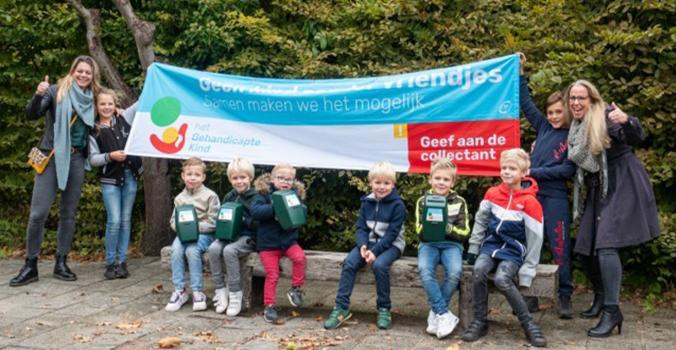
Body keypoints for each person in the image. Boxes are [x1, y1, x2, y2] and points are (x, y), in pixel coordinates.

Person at [564, 80, 659, 337]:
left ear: (593, 100)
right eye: (572, 98)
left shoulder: (606, 116)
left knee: (606, 244)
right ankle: (601, 295)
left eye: (581, 97)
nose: (576, 102)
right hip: (599, 185)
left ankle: (612, 310)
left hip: (623, 180)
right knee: (584, 245)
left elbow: (635, 137)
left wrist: (628, 120)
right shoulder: (576, 126)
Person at [10, 55, 102, 286]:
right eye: (79, 71)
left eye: (87, 73)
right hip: (51, 157)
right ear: (72, 71)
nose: (83, 75)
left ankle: (61, 262)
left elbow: (103, 118)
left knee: (68, 213)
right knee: (37, 214)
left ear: (93, 76)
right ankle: (30, 265)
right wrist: (38, 94)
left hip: (77, 160)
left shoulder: (94, 98)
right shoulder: (55, 91)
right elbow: (31, 115)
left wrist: (116, 113)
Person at [462, 148, 547, 348]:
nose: (507, 172)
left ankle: (529, 324)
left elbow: (536, 238)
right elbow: (481, 222)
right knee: (478, 270)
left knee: (502, 279)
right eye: (504, 168)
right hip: (490, 247)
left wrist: (529, 267)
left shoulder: (530, 202)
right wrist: (474, 248)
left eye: (512, 168)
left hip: (513, 251)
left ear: (524, 173)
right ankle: (480, 321)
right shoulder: (492, 193)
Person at [519, 53, 576, 318]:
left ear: (568, 112)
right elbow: (526, 104)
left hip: (555, 200)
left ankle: (564, 297)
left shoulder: (575, 136)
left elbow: (568, 169)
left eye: (558, 112)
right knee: (532, 246)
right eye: (550, 112)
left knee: (560, 248)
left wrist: (534, 171)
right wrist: (520, 74)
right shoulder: (543, 128)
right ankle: (531, 295)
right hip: (531, 198)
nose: (553, 116)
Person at [324, 161, 407, 331]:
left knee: (379, 265)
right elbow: (361, 227)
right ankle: (341, 308)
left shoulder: (398, 205)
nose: (382, 187)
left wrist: (375, 252)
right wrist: (362, 245)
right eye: (377, 182)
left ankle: (384, 309)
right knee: (349, 263)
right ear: (371, 183)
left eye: (386, 183)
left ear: (393, 184)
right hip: (368, 243)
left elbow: (391, 235)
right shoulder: (366, 202)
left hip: (391, 245)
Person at [88, 89, 142, 280]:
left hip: (130, 176)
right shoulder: (93, 130)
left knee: (126, 221)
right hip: (110, 180)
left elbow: (142, 102)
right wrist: (110, 156)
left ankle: (122, 261)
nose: (107, 107)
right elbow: (93, 159)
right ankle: (110, 263)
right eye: (102, 104)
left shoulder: (124, 117)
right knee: (114, 222)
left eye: (110, 104)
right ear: (96, 106)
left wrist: (155, 74)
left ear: (115, 105)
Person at [415, 159, 469, 338]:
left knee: (455, 272)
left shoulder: (460, 201)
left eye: (446, 179)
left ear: (452, 182)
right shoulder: (423, 201)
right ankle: (444, 314)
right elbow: (418, 231)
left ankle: (436, 312)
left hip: (451, 245)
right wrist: (431, 227)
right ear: (430, 179)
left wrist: (447, 228)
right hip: (429, 244)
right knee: (424, 269)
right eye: (437, 178)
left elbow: (464, 232)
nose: (441, 182)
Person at [251, 163, 306, 323]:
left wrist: (299, 210)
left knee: (300, 258)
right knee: (272, 274)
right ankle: (269, 306)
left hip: (288, 242)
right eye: (281, 178)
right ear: (272, 179)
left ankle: (295, 289)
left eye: (289, 179)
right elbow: (255, 212)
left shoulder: (294, 195)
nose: (285, 182)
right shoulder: (263, 194)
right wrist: (275, 208)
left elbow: (302, 214)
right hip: (268, 245)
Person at [165, 157, 219, 312]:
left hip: (204, 234)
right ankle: (180, 290)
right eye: (189, 174)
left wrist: (195, 228)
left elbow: (214, 221)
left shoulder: (210, 196)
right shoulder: (180, 199)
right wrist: (182, 228)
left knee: (192, 250)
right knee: (176, 250)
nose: (193, 178)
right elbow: (173, 220)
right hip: (183, 234)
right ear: (183, 176)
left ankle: (197, 291)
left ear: (203, 177)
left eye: (197, 174)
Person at [207, 157, 258, 316]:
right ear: (230, 179)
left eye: (242, 177)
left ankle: (236, 293)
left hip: (248, 237)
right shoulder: (229, 196)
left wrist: (244, 219)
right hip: (229, 235)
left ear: (250, 177)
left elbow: (260, 223)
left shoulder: (256, 197)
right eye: (235, 178)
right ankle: (220, 291)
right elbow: (222, 217)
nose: (239, 181)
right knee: (214, 248)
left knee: (229, 251)